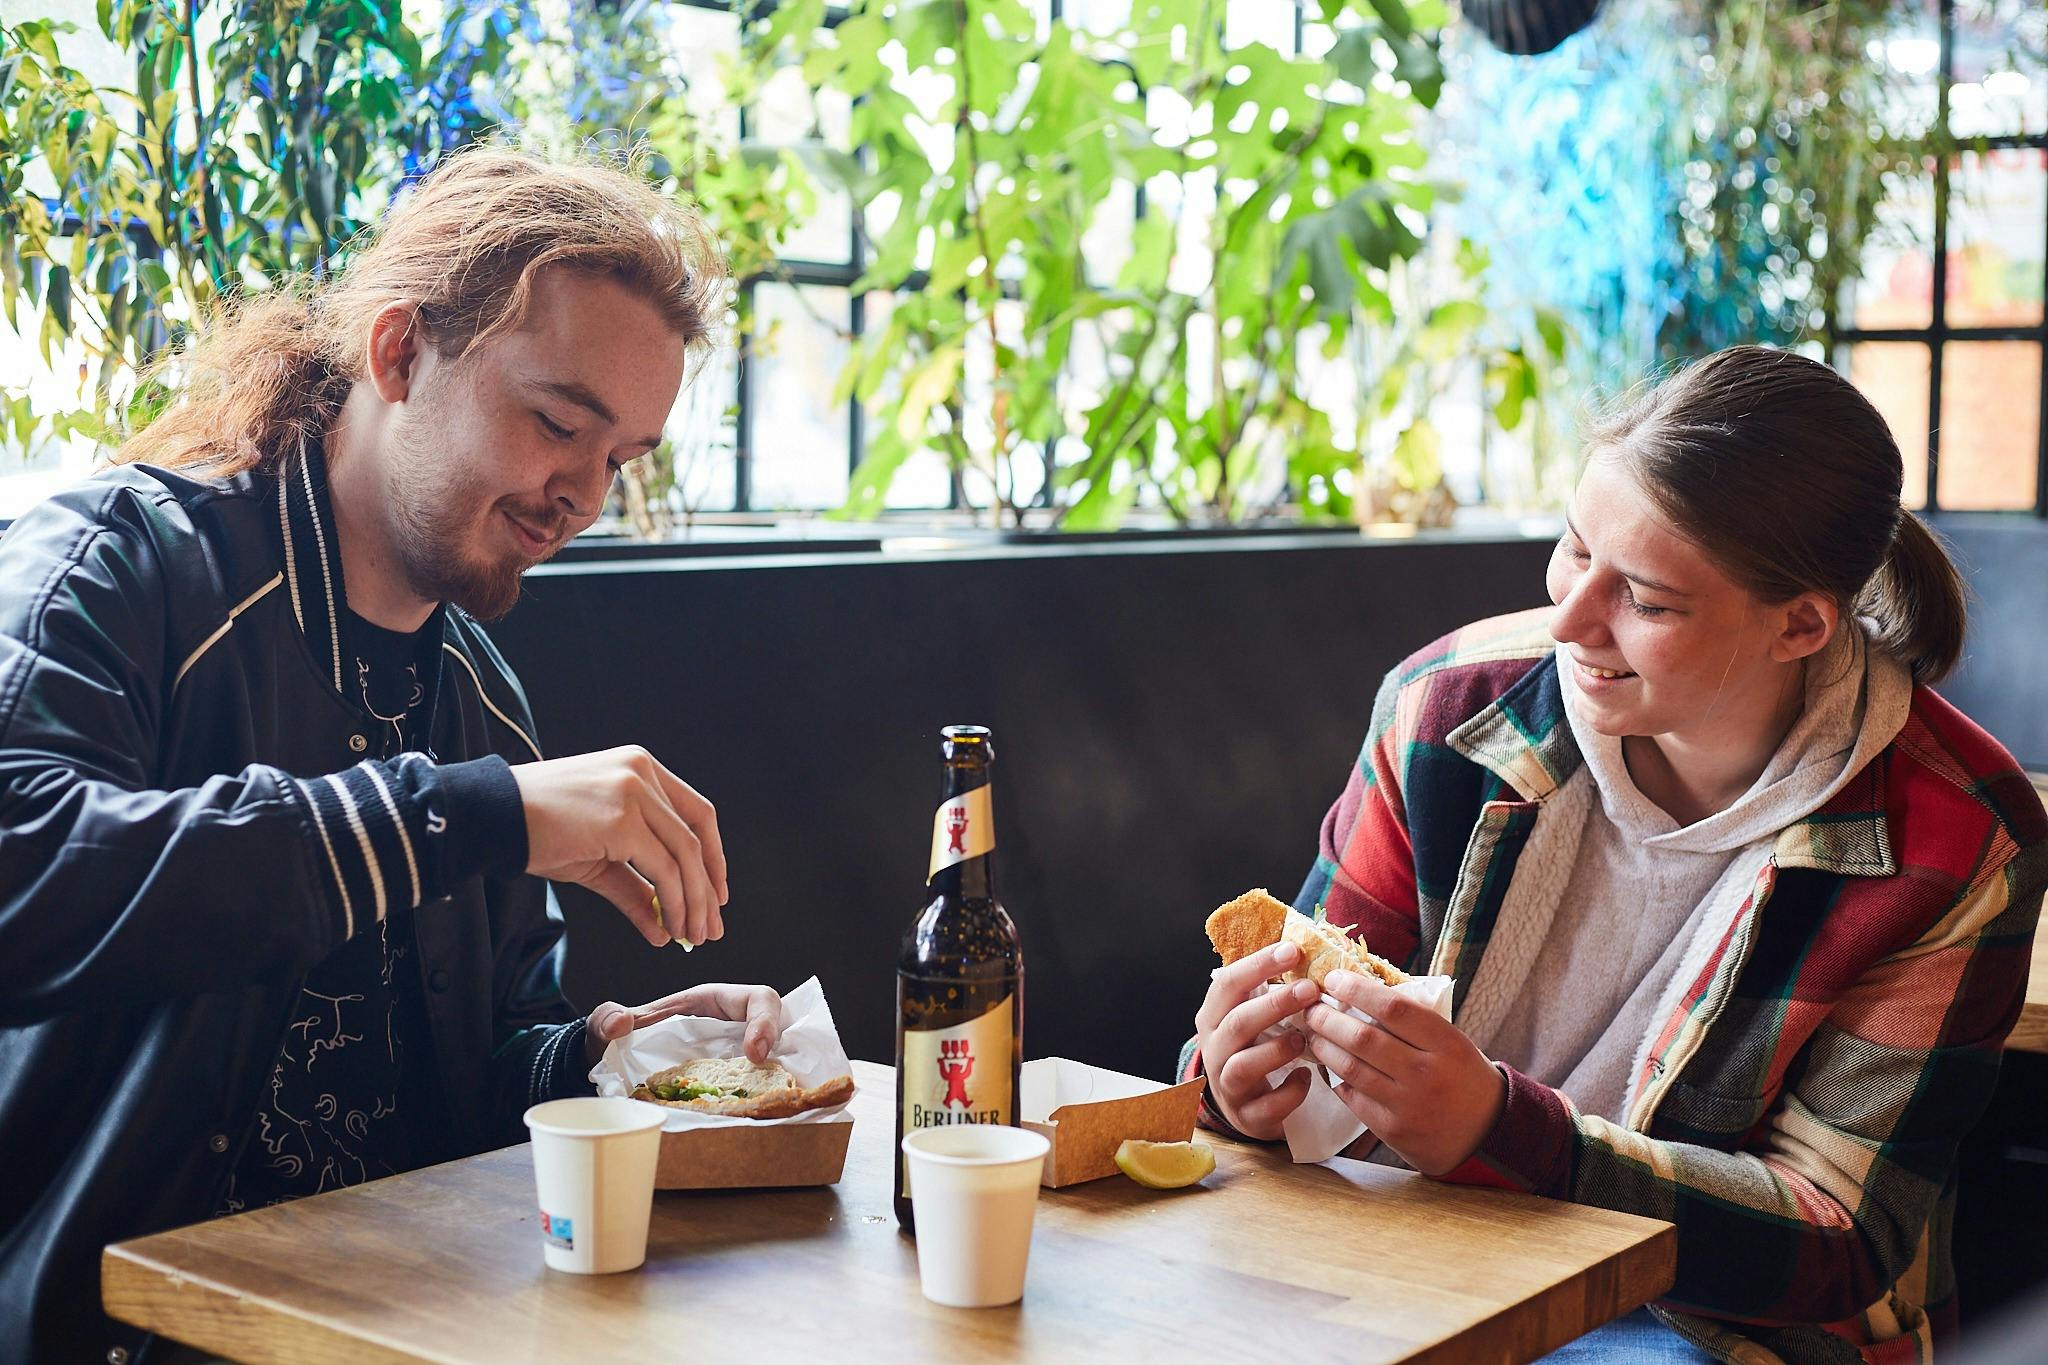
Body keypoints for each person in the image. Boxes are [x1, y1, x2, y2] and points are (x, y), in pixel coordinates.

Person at [0, 145, 786, 1362]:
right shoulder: (118, 569)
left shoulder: (481, 697)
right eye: (555, 423)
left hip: (401, 1328)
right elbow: (21, 871)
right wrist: (465, 816)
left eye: (618, 459)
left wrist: (615, 1062)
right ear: (399, 352)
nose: (581, 493)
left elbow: (470, 1073)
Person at [1188, 346, 2048, 1362]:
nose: (1566, 620)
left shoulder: (1957, 834)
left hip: (1704, 1323)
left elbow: (1838, 1240)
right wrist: (1235, 1083)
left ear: (1799, 624)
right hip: (1396, 1239)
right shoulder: (1446, 711)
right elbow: (1272, 1044)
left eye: (1645, 600)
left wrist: (1496, 1129)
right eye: (1571, 548)